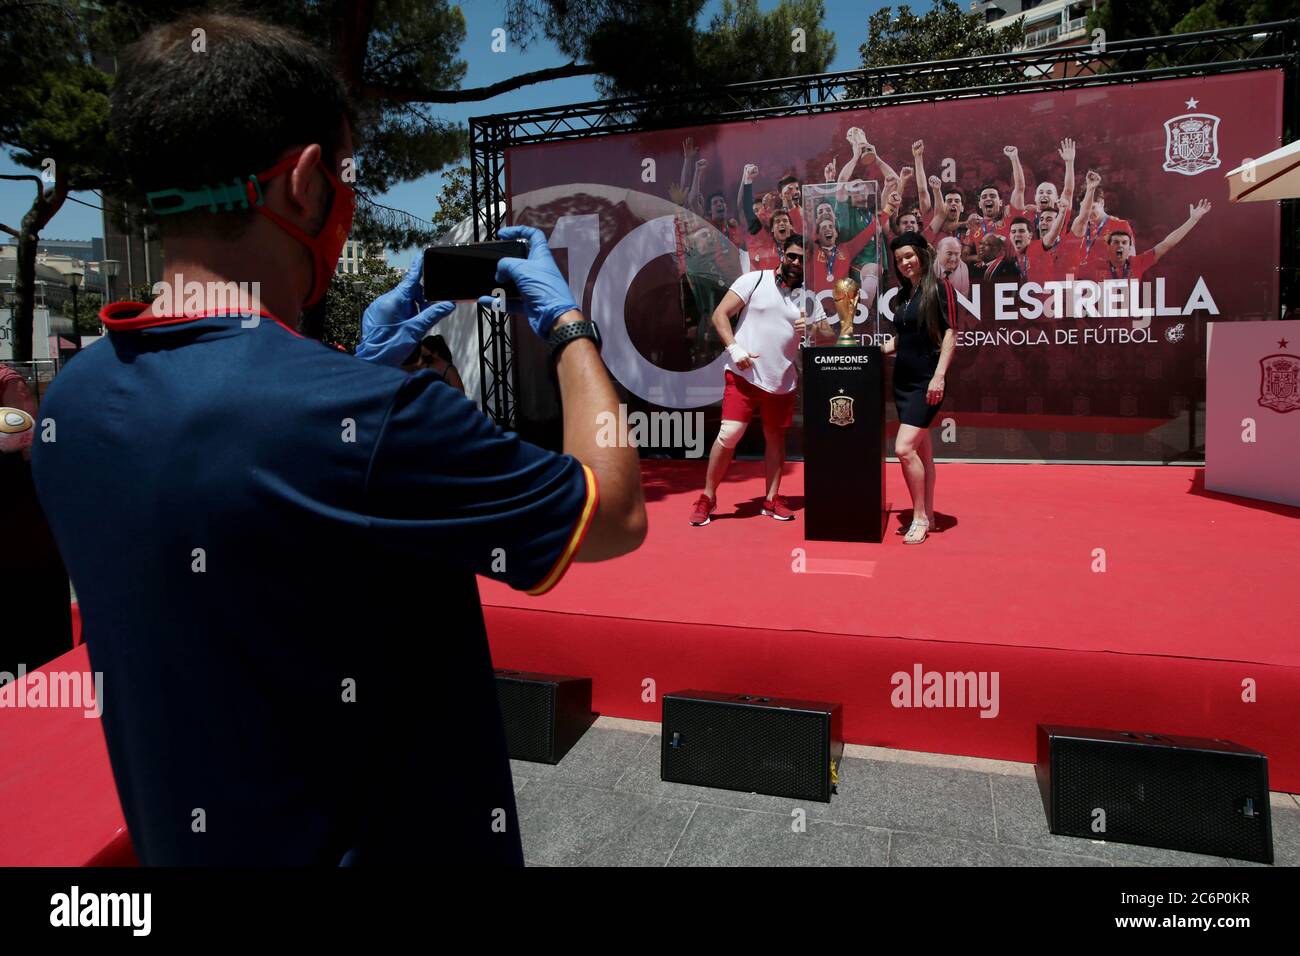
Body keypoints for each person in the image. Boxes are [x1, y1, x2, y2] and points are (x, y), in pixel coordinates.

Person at [29, 14, 645, 867]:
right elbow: (612, 510)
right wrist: (570, 324)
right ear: (306, 182)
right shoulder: (379, 420)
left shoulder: (72, 405)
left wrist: (354, 376)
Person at [689, 236, 827, 526]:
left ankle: (771, 498)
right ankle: (707, 497)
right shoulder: (754, 280)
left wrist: (815, 326)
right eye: (792, 256)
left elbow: (830, 335)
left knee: (775, 438)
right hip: (744, 375)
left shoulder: (809, 297)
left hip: (782, 381)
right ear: (781, 254)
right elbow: (719, 315)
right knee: (729, 434)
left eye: (802, 259)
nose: (797, 262)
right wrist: (735, 349)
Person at [882, 233, 956, 545]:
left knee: (903, 449)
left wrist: (939, 377)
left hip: (926, 382)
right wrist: (879, 350)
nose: (904, 263)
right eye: (899, 260)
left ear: (922, 255)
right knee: (922, 452)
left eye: (909, 256)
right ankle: (930, 514)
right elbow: (905, 337)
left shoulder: (939, 288)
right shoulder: (903, 296)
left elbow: (950, 332)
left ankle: (920, 516)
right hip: (903, 382)